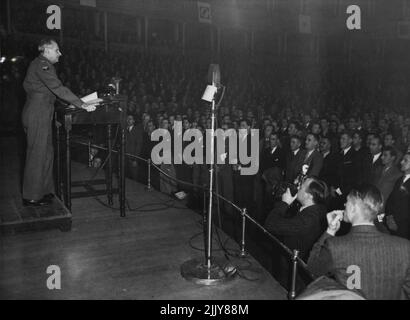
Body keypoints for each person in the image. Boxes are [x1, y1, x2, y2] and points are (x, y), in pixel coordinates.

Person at [22, 38, 95, 206]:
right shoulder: (42, 64)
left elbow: (52, 92)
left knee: (46, 153)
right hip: (37, 112)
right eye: (57, 50)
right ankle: (31, 196)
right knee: (37, 154)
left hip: (42, 111)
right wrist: (81, 104)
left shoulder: (43, 65)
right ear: (47, 50)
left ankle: (44, 191)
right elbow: (57, 87)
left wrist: (72, 102)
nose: (60, 53)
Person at [307, 184, 410, 300]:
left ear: (353, 208)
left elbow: (312, 268)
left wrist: (330, 230)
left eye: (347, 202)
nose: (344, 205)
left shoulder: (336, 246)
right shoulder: (404, 247)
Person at [385, 152, 410, 239]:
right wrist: (389, 218)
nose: (401, 162)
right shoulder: (399, 180)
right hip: (393, 224)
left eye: (405, 160)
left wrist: (397, 222)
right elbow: (390, 200)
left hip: (405, 228)